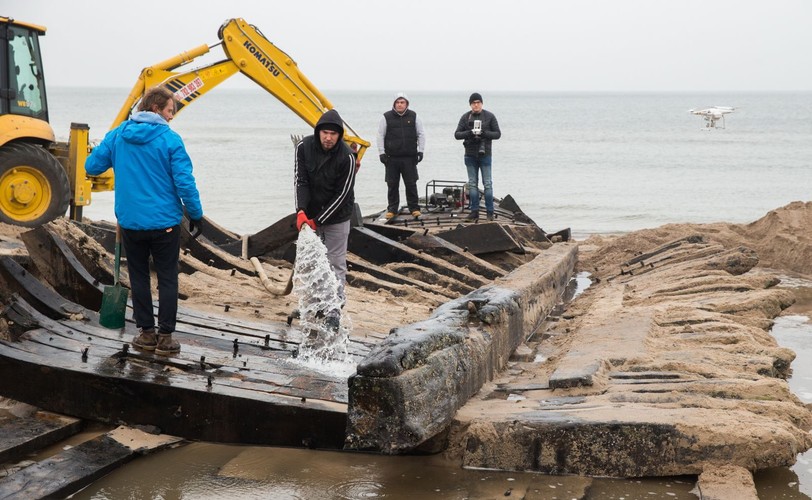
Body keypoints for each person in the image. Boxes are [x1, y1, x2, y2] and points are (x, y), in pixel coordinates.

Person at [85, 86, 203, 356]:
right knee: (167, 278)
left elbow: (91, 167)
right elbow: (185, 182)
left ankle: (146, 334)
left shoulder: (119, 135)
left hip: (131, 223)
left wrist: (110, 148)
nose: (172, 116)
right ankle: (166, 339)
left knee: (138, 277)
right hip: (165, 224)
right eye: (170, 110)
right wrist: (196, 214)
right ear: (155, 108)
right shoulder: (170, 139)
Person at [294, 109, 357, 330]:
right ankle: (314, 305)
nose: (328, 137)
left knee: (335, 262)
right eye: (325, 133)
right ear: (318, 132)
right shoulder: (303, 147)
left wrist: (318, 220)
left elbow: (343, 194)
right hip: (311, 212)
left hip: (338, 215)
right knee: (312, 261)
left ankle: (333, 310)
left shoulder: (348, 157)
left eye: (333, 134)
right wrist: (301, 211)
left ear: (339, 135)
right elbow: (300, 180)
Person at [377, 92, 426, 219]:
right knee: (392, 184)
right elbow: (380, 135)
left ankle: (414, 208)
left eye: (402, 102)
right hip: (391, 158)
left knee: (411, 184)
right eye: (397, 102)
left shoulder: (414, 116)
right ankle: (392, 209)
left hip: (409, 157)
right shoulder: (386, 117)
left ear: (406, 104)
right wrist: (381, 153)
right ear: (394, 104)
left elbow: (421, 134)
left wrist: (421, 151)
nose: (400, 104)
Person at [454, 92, 501, 221]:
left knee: (487, 184)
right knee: (472, 184)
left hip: (485, 154)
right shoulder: (465, 117)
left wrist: (484, 133)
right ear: (470, 104)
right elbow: (457, 134)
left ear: (482, 103)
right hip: (470, 154)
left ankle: (490, 212)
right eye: (473, 103)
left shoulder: (489, 116)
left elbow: (497, 134)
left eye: (478, 102)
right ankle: (474, 211)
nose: (476, 105)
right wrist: (470, 133)